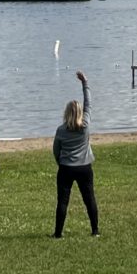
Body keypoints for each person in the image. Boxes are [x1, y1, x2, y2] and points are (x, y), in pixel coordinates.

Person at [52, 71, 99, 238]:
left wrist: (61, 162)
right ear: (79, 113)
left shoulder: (61, 130)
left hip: (66, 167)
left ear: (66, 113)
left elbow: (56, 150)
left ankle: (58, 233)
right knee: (89, 199)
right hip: (84, 167)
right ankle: (95, 231)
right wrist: (85, 83)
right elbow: (89, 104)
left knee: (63, 201)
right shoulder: (85, 125)